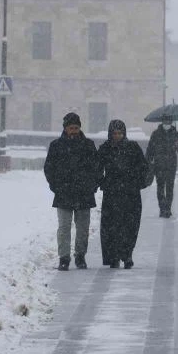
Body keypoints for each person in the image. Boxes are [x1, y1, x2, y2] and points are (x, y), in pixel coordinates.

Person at [44, 112, 100, 271]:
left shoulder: (88, 145)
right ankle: (64, 257)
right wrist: (55, 185)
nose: (74, 131)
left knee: (83, 228)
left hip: (84, 192)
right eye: (71, 128)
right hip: (64, 193)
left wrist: (92, 185)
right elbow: (49, 168)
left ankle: (80, 256)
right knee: (64, 227)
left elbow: (96, 167)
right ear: (65, 128)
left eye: (76, 128)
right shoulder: (56, 146)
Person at [97, 119, 150, 269]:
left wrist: (138, 182)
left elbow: (143, 167)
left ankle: (127, 254)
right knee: (111, 226)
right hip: (112, 193)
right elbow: (97, 168)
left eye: (120, 133)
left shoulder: (133, 147)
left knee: (130, 225)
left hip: (130, 192)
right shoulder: (105, 149)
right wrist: (102, 182)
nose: (117, 136)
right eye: (114, 133)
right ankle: (113, 256)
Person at [145, 116, 178, 217]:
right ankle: (162, 209)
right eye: (165, 121)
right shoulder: (156, 134)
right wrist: (147, 162)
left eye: (169, 122)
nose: (167, 124)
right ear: (162, 122)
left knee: (170, 188)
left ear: (171, 122)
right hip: (159, 165)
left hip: (171, 165)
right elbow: (149, 150)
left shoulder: (176, 135)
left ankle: (168, 209)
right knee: (160, 187)